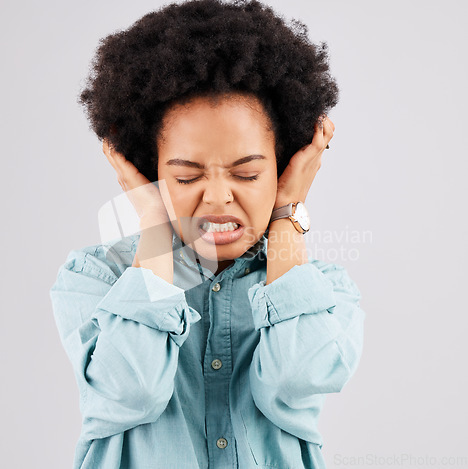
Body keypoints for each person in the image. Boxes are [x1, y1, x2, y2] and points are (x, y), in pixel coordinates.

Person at [49, 0, 365, 468]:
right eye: (186, 176)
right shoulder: (95, 279)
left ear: (282, 168)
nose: (217, 197)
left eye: (247, 173)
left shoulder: (325, 292)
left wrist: (287, 214)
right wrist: (155, 228)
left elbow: (294, 381)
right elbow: (131, 392)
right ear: (147, 168)